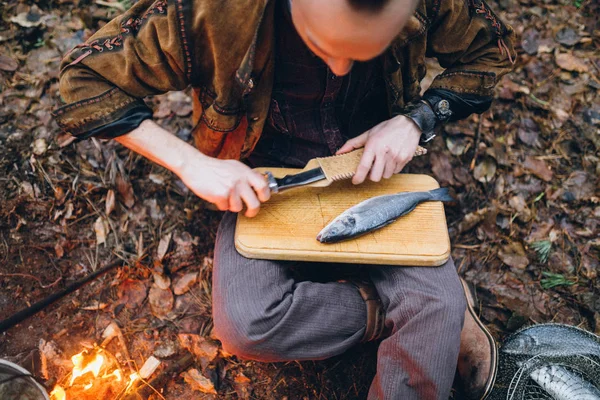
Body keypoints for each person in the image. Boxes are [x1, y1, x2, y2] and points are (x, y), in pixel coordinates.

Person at [52, 0, 516, 398]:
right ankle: (407, 316)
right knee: (246, 323)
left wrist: (416, 120)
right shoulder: (210, 12)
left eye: (363, 53)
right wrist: (192, 164)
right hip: (266, 179)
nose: (339, 68)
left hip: (375, 174)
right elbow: (83, 82)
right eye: (321, 44)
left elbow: (492, 50)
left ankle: (437, 315)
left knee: (435, 310)